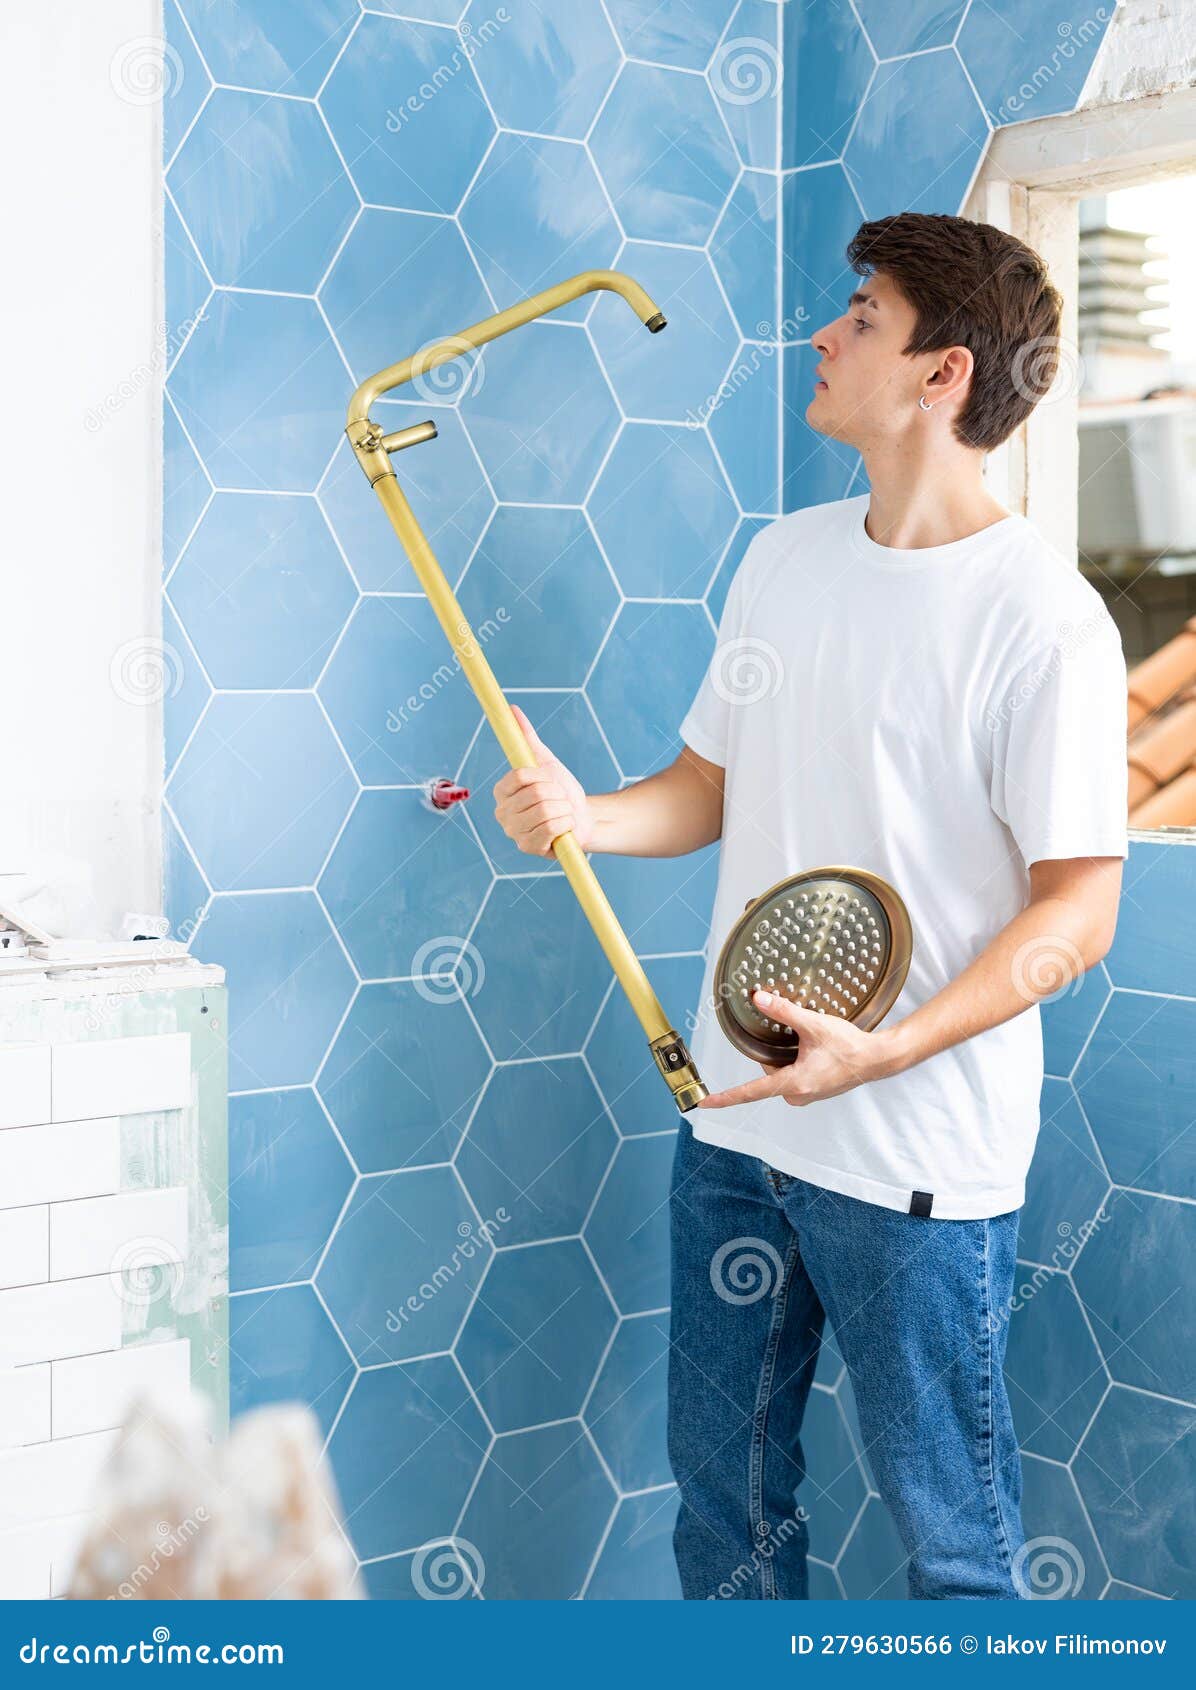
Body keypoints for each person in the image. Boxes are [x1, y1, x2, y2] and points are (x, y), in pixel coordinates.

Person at [493, 212, 1128, 1600]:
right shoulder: (785, 556)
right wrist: (584, 815)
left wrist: (886, 1046)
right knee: (724, 1509)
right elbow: (706, 787)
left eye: (862, 319)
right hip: (739, 1124)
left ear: (940, 375)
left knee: (954, 1543)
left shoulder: (1043, 621)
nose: (823, 336)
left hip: (913, 1163)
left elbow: (1078, 916)